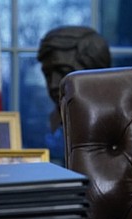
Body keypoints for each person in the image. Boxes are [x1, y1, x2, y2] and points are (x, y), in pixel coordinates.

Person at [37, 26, 111, 160]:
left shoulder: (119, 127)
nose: (54, 84)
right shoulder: (42, 128)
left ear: (95, 72)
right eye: (48, 74)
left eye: (62, 72)